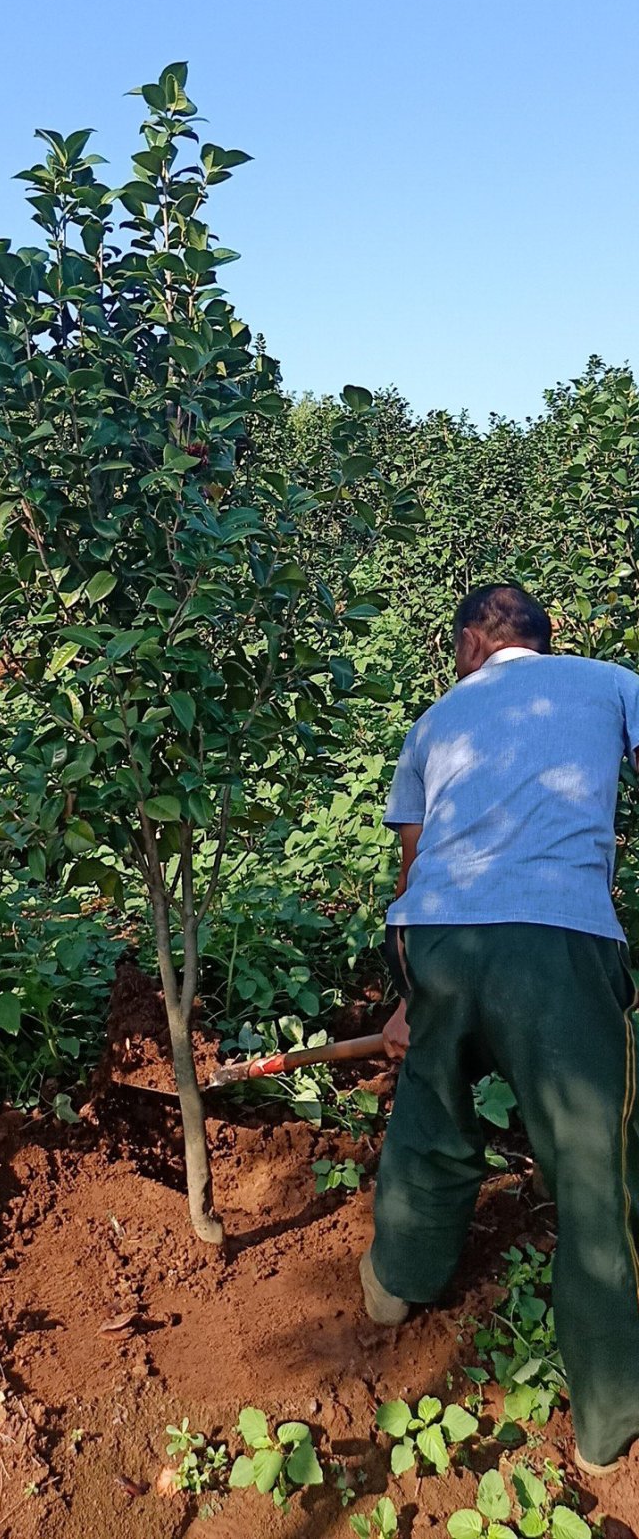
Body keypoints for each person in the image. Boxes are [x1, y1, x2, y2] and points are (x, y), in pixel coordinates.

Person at [360, 583, 639, 1476]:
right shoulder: (609, 685)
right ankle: (608, 1423)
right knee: (594, 1167)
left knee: (431, 1110)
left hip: (436, 935)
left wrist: (419, 995)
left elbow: (414, 867)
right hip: (558, 940)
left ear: (473, 642)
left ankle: (395, 1287)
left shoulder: (438, 718)